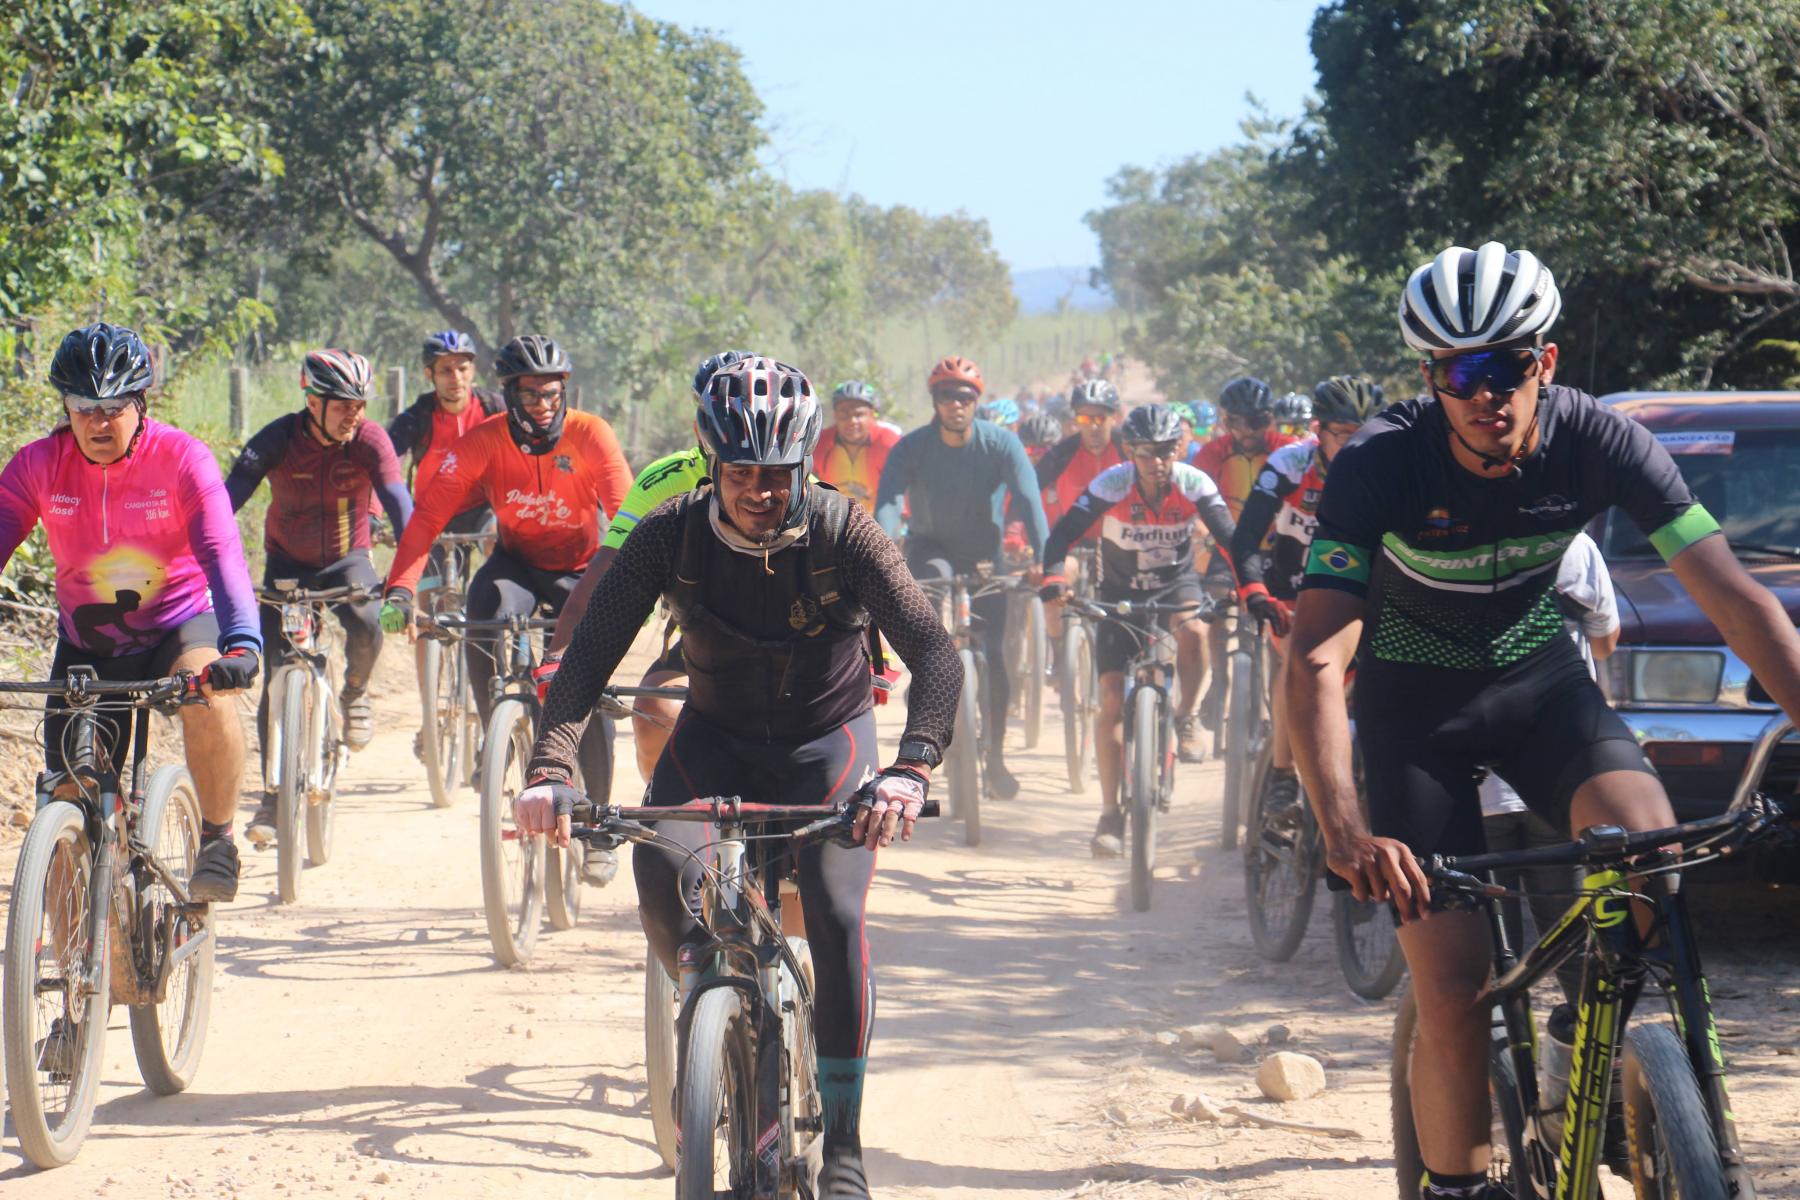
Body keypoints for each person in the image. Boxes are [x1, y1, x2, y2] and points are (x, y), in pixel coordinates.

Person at [1286, 241, 1800, 1199]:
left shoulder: (1600, 440)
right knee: (1454, 990)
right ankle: (1459, 1186)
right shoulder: (1379, 463)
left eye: (1507, 366)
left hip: (1540, 686)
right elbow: (1316, 654)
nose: (1486, 393)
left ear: (1545, 363)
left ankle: (1580, 1047)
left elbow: (1740, 602)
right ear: (1431, 380)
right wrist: (1343, 827)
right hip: (1414, 711)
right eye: (1459, 373)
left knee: (1652, 865)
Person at [515, 356, 961, 1199]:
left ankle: (844, 1150)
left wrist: (910, 768)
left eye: (779, 473)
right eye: (741, 472)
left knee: (833, 912)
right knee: (660, 874)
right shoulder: (669, 533)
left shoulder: (845, 533)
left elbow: (935, 654)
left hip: (826, 748)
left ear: (805, 463)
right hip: (713, 739)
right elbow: (588, 661)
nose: (760, 491)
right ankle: (711, 1017)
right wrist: (550, 767)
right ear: (710, 459)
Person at [0, 322, 261, 902]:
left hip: (177, 624)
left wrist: (243, 642)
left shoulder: (182, 459)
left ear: (141, 402)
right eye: (84, 407)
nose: (98, 422)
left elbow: (222, 553)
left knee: (206, 692)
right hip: (88, 644)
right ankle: (78, 951)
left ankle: (217, 838)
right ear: (66, 407)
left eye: (113, 407)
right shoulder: (38, 465)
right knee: (66, 803)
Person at [380, 333, 632, 836]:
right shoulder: (483, 440)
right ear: (509, 394)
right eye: (530, 393)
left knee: (587, 679)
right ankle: (495, 736)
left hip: (580, 568)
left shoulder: (591, 433)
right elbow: (428, 516)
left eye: (552, 392)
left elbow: (627, 515)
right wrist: (402, 588)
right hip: (516, 562)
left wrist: (639, 585)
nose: (542, 404)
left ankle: (599, 827)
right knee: (483, 608)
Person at [540, 349, 756, 788]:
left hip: (793, 646)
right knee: (654, 713)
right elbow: (609, 571)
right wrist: (559, 653)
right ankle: (665, 804)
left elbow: (850, 570)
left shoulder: (801, 482)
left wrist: (875, 658)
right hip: (700, 639)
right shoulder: (665, 479)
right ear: (698, 422)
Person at [225, 350, 412, 845]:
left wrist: (412, 572)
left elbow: (399, 504)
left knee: (368, 623)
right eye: (344, 405)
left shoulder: (370, 439)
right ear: (313, 402)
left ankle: (354, 692)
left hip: (348, 558)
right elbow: (225, 502)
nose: (355, 414)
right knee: (275, 678)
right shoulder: (278, 439)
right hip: (286, 564)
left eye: (360, 404)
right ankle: (272, 798)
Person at [1039, 404, 1234, 855]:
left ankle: (1186, 717)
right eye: (1146, 452)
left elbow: (1231, 539)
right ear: (1130, 452)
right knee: (1111, 698)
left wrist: (1238, 583)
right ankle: (1110, 813)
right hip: (1119, 592)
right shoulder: (1111, 484)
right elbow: (1061, 535)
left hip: (1175, 584)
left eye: (1165, 451)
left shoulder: (1194, 483)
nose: (1156, 461)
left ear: (1179, 449)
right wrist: (1054, 578)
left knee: (1195, 632)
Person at [874, 355, 1047, 800]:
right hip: (930, 550)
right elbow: (888, 504)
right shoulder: (911, 447)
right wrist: (879, 554)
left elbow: (1029, 500)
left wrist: (1047, 561)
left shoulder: (1001, 444)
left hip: (984, 555)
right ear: (935, 401)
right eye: (947, 396)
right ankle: (924, 744)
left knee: (995, 654)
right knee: (929, 652)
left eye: (965, 396)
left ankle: (996, 757)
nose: (956, 404)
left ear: (976, 401)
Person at [1226, 375, 1385, 827]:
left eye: (1365, 435)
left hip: (1356, 596)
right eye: (1344, 435)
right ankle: (1282, 773)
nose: (1356, 445)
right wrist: (1254, 591)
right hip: (1291, 593)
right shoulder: (1289, 464)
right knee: (1298, 659)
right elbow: (1245, 538)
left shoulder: (1385, 468)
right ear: (1319, 429)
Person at [386, 329, 506, 731]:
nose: (456, 377)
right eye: (446, 370)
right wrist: (374, 514)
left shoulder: (493, 408)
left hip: (483, 509)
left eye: (463, 368)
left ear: (474, 370)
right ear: (430, 375)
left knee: (499, 547)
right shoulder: (417, 417)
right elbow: (383, 464)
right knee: (426, 609)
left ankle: (506, 644)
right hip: (433, 515)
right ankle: (429, 715)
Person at [1193, 376, 1295, 733]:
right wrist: (1200, 530)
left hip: (1279, 549)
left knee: (1281, 621)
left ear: (1270, 419)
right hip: (1231, 546)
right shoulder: (1213, 453)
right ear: (1225, 421)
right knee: (1217, 598)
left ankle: (1275, 709)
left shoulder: (1286, 450)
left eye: (1257, 421)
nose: (1247, 431)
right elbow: (1193, 497)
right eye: (1236, 422)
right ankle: (1219, 677)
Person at [1034, 379, 1126, 531]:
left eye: (1100, 418)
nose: (1093, 426)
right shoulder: (1060, 455)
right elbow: (1027, 494)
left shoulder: (1130, 450)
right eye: (1084, 418)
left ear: (1114, 418)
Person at [814, 380, 901, 512]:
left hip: (877, 520)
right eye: (844, 414)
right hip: (832, 518)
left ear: (872, 414)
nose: (852, 421)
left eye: (859, 414)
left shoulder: (888, 443)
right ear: (834, 414)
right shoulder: (819, 444)